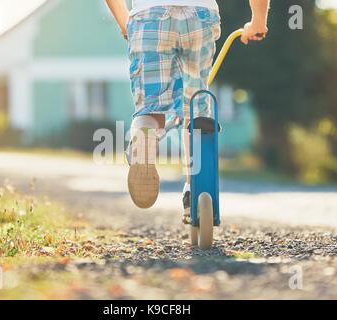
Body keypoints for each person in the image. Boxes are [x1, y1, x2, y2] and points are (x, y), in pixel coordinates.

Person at [106, 0, 269, 222]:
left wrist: (125, 21)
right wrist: (258, 19)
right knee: (195, 106)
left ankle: (143, 141)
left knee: (150, 107)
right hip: (199, 17)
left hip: (149, 15)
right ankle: (195, 190)